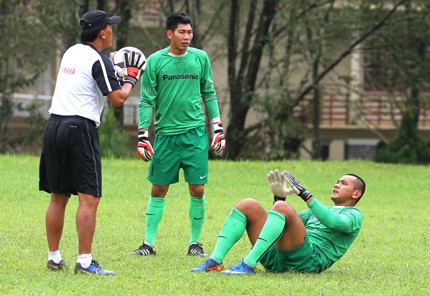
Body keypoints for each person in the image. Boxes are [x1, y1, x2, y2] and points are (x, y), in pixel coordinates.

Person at [39, 9, 145, 275]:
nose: (112, 30)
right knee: (90, 198)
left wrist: (114, 73)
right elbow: (118, 99)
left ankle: (54, 258)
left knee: (58, 196)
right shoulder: (100, 61)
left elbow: (87, 81)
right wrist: (131, 79)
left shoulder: (71, 52)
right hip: (79, 128)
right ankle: (85, 262)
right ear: (102, 32)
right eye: (110, 27)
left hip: (54, 126)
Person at [131, 12, 225, 257]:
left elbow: (209, 93)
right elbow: (146, 100)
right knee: (158, 189)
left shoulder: (200, 58)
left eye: (190, 32)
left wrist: (217, 127)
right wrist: (143, 133)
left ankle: (195, 243)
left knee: (198, 189)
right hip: (165, 136)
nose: (187, 37)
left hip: (195, 135)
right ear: (169, 33)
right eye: (182, 32)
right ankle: (148, 244)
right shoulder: (154, 61)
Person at [191, 170, 366, 275]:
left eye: (343, 183)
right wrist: (278, 198)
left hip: (307, 263)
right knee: (248, 204)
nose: (336, 185)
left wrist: (305, 194)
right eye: (337, 182)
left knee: (282, 207)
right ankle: (215, 261)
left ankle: (248, 265)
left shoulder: (354, 215)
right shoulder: (322, 210)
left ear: (356, 194)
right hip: (278, 259)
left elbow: (333, 222)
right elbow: (284, 220)